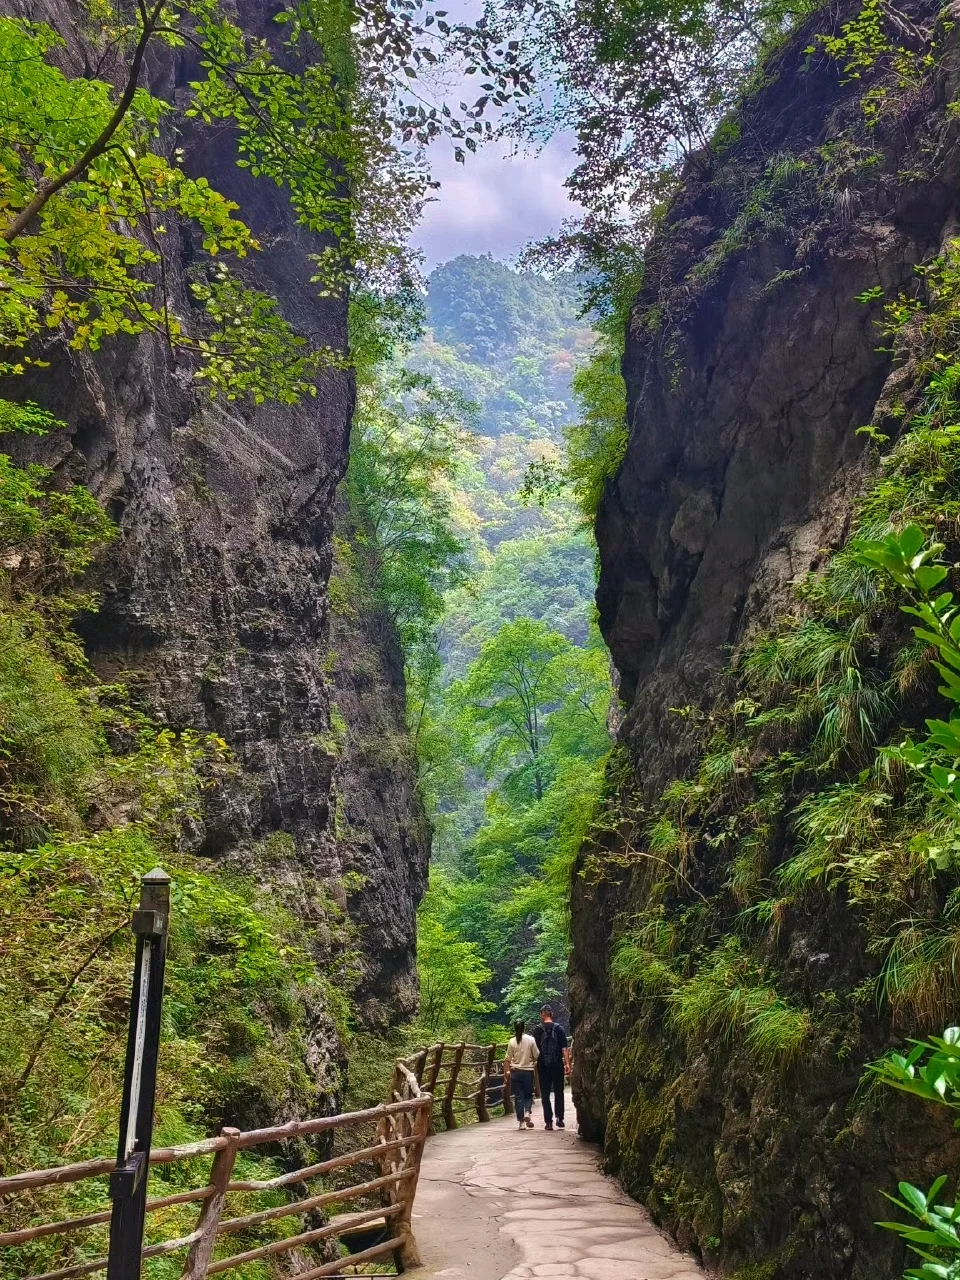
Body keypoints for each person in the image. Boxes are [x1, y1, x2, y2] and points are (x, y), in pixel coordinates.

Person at [532, 1005, 570, 1130]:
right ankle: (560, 1118)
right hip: (557, 1064)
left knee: (545, 1094)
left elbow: (535, 1050)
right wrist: (567, 1064)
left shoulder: (537, 1030)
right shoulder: (559, 1029)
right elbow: (564, 1048)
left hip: (543, 1065)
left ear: (542, 1015)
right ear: (551, 1014)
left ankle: (548, 1122)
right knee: (559, 1092)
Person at [504, 1018, 538, 1129]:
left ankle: (521, 1123)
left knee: (518, 1097)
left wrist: (506, 1073)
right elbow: (536, 1055)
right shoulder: (531, 1040)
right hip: (528, 1071)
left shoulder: (512, 1041)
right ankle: (528, 1112)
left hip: (515, 1072)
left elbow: (507, 1059)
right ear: (524, 1028)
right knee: (528, 1095)